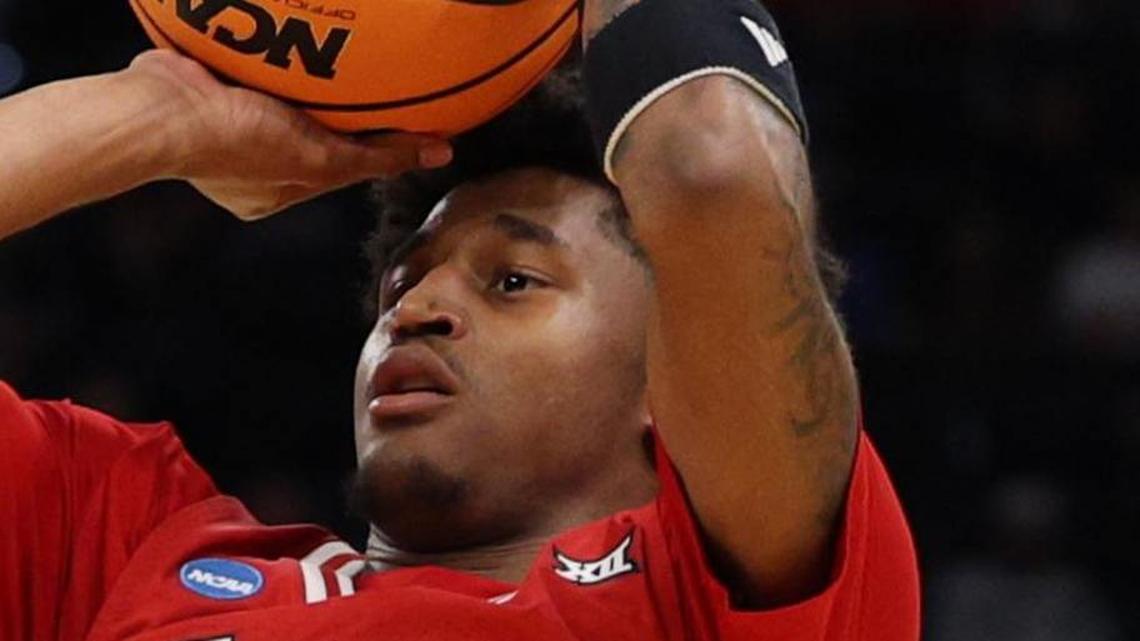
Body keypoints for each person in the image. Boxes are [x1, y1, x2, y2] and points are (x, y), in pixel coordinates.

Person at [0, 2, 920, 640]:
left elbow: (711, 169)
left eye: (514, 280)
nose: (419, 310)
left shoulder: (716, 596)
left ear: (671, 380)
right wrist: (159, 113)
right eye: (401, 283)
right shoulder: (122, 543)